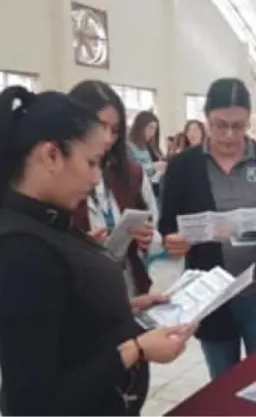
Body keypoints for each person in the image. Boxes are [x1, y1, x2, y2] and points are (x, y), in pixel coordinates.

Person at [0, 86, 191, 415]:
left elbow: (64, 323)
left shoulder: (50, 221)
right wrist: (135, 350)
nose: (95, 178)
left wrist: (124, 310)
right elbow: (34, 405)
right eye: (91, 162)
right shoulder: (23, 251)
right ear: (51, 156)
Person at [159, 78, 256, 380]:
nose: (228, 135)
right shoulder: (184, 166)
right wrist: (173, 240)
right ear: (206, 116)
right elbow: (167, 221)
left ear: (249, 120)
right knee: (223, 383)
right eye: (219, 125)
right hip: (212, 294)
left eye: (239, 126)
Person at [69, 80, 161, 296]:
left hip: (129, 288)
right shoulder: (58, 180)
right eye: (100, 127)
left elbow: (156, 234)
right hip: (81, 296)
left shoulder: (132, 175)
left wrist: (148, 239)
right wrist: (82, 248)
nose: (107, 138)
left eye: (115, 130)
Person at [128, 111, 166, 196]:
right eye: (150, 128)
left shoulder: (146, 147)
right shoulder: (127, 147)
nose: (152, 133)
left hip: (149, 189)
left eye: (154, 130)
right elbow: (130, 171)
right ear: (141, 126)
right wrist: (154, 166)